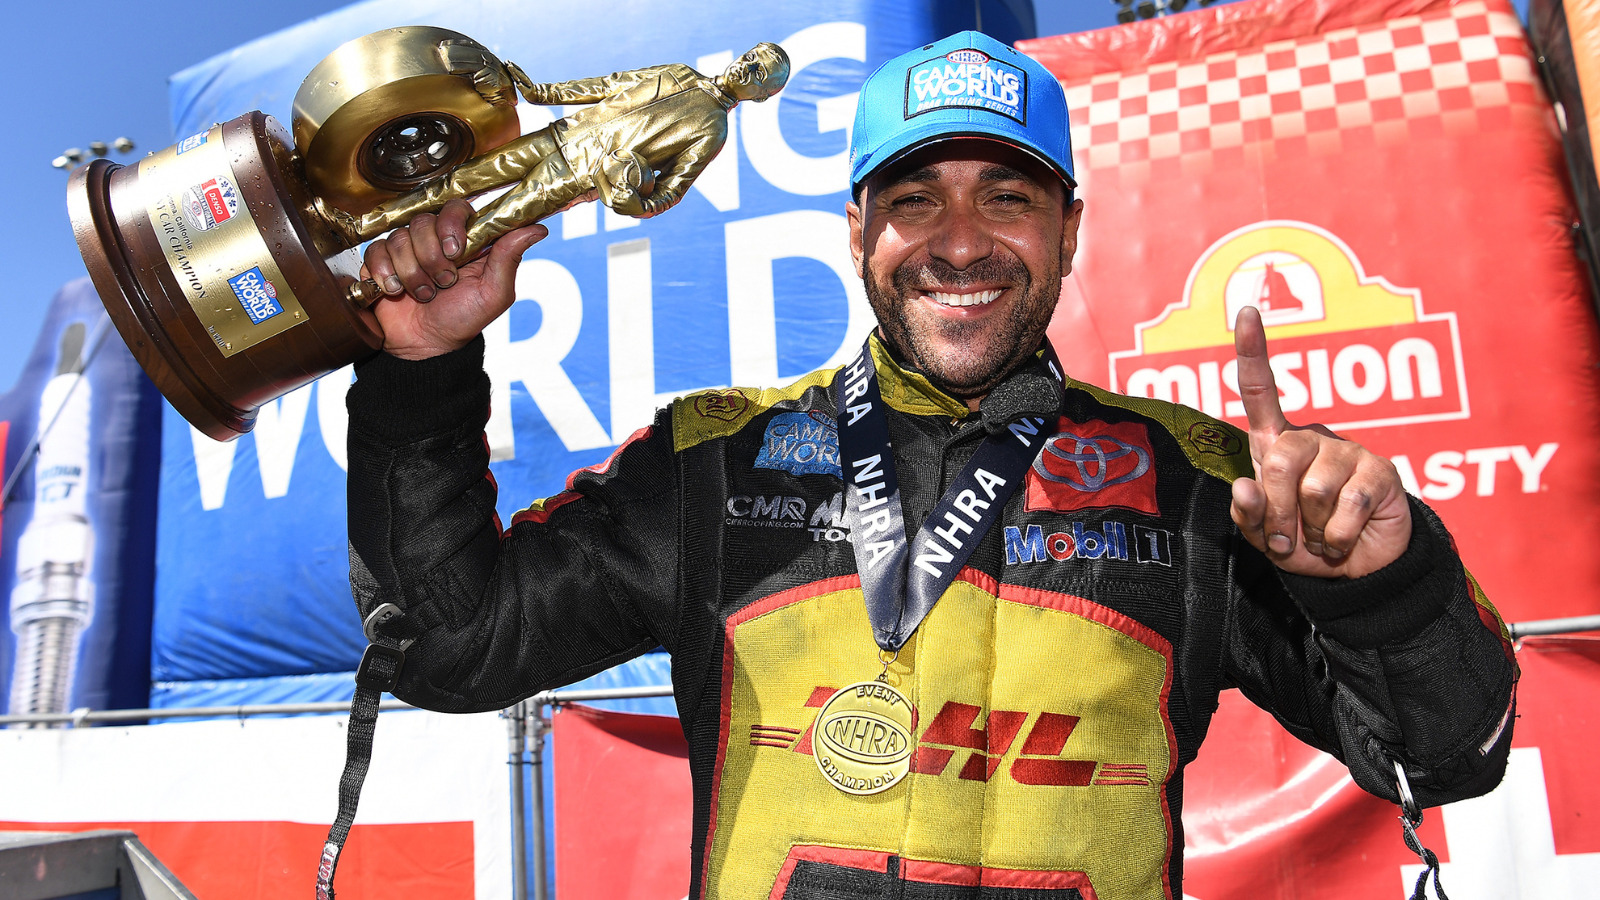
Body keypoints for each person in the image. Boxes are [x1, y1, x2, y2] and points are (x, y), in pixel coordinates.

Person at [345, 30, 1516, 899]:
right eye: (915, 201)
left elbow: (1443, 757)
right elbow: (452, 648)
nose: (960, 241)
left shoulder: (1201, 482)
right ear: (859, 234)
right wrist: (420, 375)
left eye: (1006, 197)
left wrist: (1384, 586)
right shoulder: (714, 461)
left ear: (1068, 230)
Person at [326, 43, 790, 261]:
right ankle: (358, 225)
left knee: (488, 224)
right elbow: (606, 86)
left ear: (762, 95)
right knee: (457, 180)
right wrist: (541, 92)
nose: (747, 65)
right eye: (751, 56)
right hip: (558, 136)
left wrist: (632, 200)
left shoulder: (710, 130)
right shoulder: (677, 71)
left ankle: (372, 288)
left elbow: (667, 195)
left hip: (577, 176)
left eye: (759, 71)